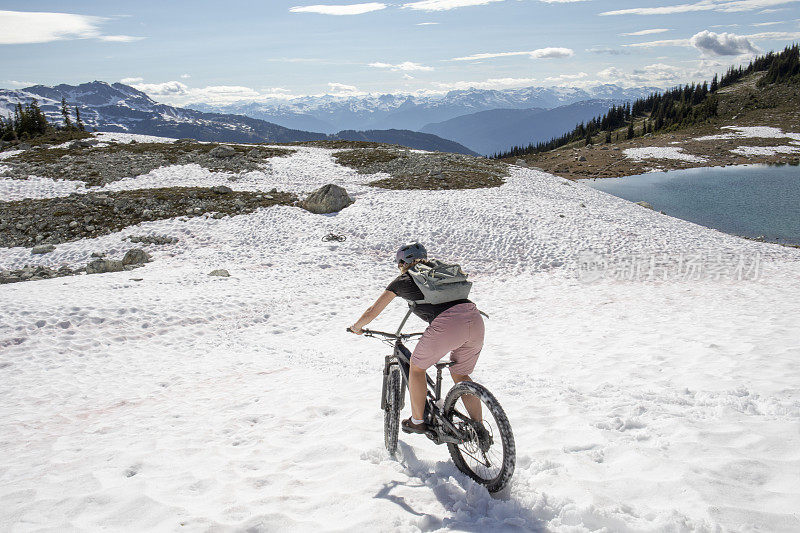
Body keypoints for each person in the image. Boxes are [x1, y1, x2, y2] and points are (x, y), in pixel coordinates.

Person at [349, 242, 485, 434]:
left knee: (417, 368)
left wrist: (357, 327)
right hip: (475, 318)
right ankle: (479, 428)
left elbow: (372, 311)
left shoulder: (404, 280)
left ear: (402, 262)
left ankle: (418, 421)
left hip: (448, 325)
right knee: (461, 374)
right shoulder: (437, 274)